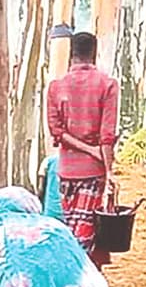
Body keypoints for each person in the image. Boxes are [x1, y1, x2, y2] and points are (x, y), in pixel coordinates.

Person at [46, 31, 120, 271]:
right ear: (94, 54)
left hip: (66, 172)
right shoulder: (107, 85)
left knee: (72, 226)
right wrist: (108, 170)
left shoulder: (56, 87)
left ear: (71, 54)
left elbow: (57, 132)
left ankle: (73, 282)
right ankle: (80, 285)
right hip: (92, 173)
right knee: (84, 232)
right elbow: (107, 136)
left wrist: (86, 148)